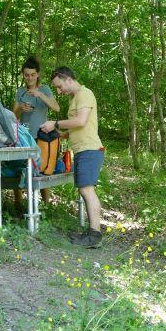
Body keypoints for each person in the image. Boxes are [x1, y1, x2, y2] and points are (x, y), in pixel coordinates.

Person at [40, 66, 104, 248]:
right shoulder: (75, 98)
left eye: (59, 87)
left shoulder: (84, 94)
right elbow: (78, 127)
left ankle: (95, 236)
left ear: (67, 78)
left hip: (90, 149)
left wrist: (55, 123)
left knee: (87, 190)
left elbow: (81, 120)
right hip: (83, 149)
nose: (59, 91)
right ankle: (91, 232)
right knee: (84, 189)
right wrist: (61, 134)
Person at [12, 56, 59, 206]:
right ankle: (18, 205)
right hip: (24, 137)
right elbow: (13, 117)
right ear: (23, 75)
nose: (29, 78)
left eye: (32, 74)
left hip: (41, 137)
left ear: (38, 74)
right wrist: (20, 108)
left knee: (42, 170)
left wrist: (40, 95)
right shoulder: (20, 92)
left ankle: (45, 204)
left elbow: (56, 108)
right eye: (26, 75)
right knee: (19, 169)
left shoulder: (45, 89)